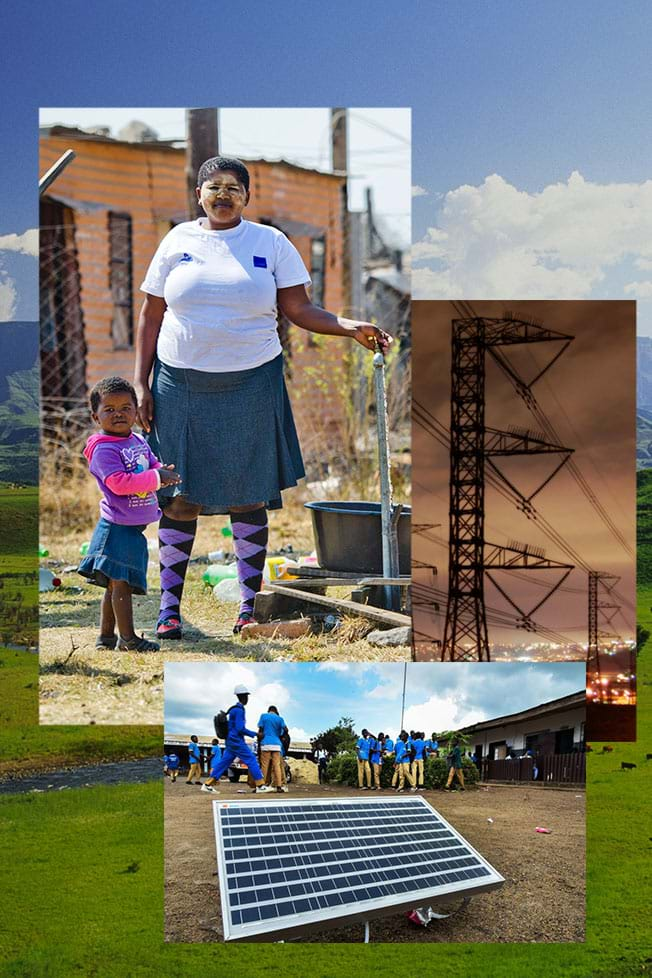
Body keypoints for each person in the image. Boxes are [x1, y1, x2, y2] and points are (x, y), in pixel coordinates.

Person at [134, 156, 393, 638]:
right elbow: (151, 314)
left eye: (234, 187)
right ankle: (169, 609)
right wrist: (141, 383)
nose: (224, 195)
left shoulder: (271, 243)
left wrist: (349, 327)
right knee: (179, 495)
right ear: (199, 195)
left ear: (247, 197)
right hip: (180, 383)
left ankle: (247, 608)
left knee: (247, 495)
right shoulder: (177, 241)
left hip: (252, 382)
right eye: (214, 187)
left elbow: (298, 308)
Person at [78, 376, 182, 651]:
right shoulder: (103, 450)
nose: (118, 414)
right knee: (120, 585)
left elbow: (151, 463)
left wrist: (162, 471)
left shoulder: (136, 441)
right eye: (109, 409)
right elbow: (119, 483)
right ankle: (128, 639)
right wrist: (156, 478)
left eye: (126, 408)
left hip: (132, 529)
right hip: (116, 528)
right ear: (96, 417)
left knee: (114, 586)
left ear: (136, 412)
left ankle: (106, 637)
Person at [200, 684, 274, 794]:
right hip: (236, 741)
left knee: (224, 762)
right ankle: (260, 785)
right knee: (251, 760)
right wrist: (255, 734)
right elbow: (240, 728)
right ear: (244, 696)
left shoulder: (233, 710)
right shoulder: (239, 710)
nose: (247, 698)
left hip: (230, 740)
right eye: (246, 696)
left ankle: (208, 784)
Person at [257, 705, 288, 793]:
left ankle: (262, 785)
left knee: (264, 765)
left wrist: (260, 741)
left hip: (265, 743)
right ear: (276, 711)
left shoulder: (264, 716)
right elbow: (286, 729)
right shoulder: (280, 719)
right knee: (277, 765)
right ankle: (279, 786)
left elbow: (260, 729)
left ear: (269, 710)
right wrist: (281, 736)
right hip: (277, 744)